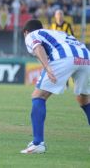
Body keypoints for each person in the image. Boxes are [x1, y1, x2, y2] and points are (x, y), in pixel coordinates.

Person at [21, 19, 90, 154]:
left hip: (65, 57)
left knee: (38, 96)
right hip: (86, 57)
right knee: (84, 100)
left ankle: (38, 143)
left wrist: (47, 67)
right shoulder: (56, 32)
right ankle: (37, 142)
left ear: (25, 32)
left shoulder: (31, 35)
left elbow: (38, 47)